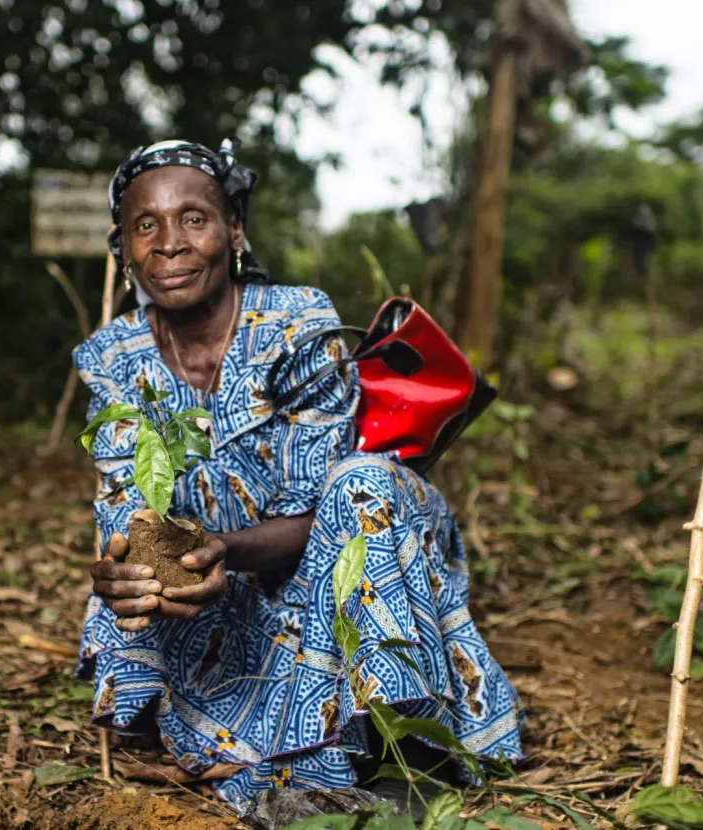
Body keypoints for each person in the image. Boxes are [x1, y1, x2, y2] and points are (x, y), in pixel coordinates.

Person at [73, 138, 522, 815]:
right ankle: (279, 749)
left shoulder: (298, 322)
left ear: (234, 231)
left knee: (364, 484)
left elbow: (324, 512)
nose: (169, 243)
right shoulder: (112, 357)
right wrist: (123, 574)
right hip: (220, 602)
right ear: (124, 248)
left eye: (194, 218)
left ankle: (407, 756)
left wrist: (225, 548)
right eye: (145, 225)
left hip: (335, 571)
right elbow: (127, 507)